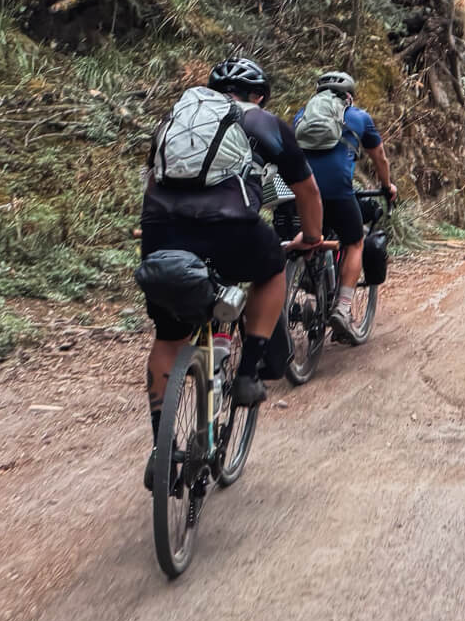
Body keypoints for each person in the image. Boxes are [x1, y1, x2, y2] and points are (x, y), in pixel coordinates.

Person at [140, 58, 323, 488]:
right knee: (272, 269)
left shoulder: (178, 120)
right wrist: (311, 237)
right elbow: (307, 190)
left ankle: (160, 451)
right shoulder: (264, 122)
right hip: (230, 228)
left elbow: (153, 177)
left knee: (168, 337)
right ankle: (247, 374)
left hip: (161, 230)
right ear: (258, 95)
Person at [297, 71, 396, 321]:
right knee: (355, 242)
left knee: (307, 237)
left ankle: (304, 287)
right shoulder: (359, 117)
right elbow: (380, 158)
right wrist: (387, 186)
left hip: (299, 191)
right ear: (349, 97)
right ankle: (342, 308)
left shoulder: (301, 115)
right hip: (337, 190)